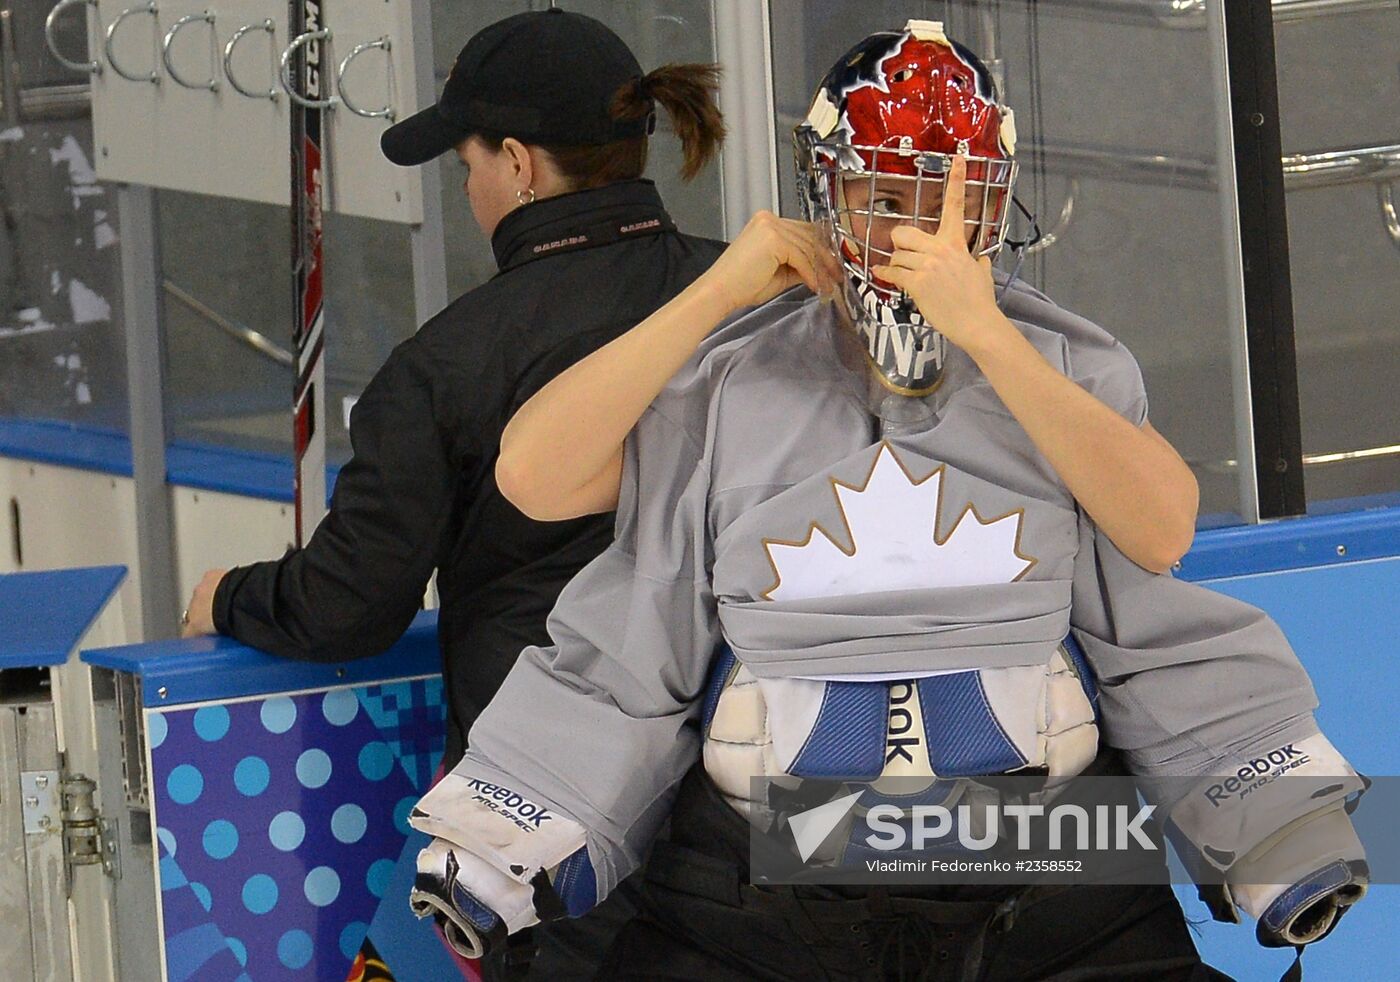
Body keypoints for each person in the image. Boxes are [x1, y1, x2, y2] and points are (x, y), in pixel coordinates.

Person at [406, 20, 1369, 981]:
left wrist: (991, 338)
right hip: (765, 881)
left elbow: (1158, 565)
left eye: (951, 201)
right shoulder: (729, 380)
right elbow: (568, 532)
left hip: (1047, 862)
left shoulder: (1066, 364)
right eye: (883, 198)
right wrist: (714, 295)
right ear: (827, 197)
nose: (917, 235)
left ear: (994, 205)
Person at [178, 8, 727, 978]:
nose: (469, 189)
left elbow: (346, 605)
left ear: (517, 164)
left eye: (466, 165)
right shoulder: (744, 295)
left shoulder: (443, 367)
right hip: (746, 829)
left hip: (558, 836)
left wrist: (225, 595)